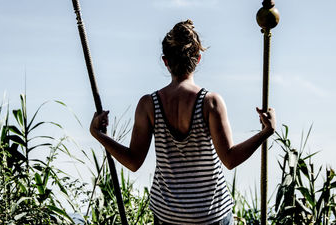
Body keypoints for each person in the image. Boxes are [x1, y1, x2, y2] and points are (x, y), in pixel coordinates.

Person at [90, 19, 276, 225]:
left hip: (168, 216)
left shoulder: (148, 105)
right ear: (198, 59)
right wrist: (265, 132)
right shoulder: (211, 103)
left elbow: (133, 162)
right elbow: (229, 160)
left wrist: (99, 135)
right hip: (210, 215)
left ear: (165, 61)